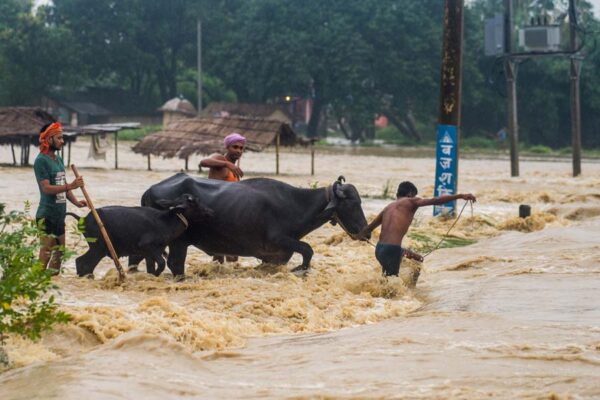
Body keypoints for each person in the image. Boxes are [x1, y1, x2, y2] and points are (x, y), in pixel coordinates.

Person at [358, 181, 476, 285]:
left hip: (379, 250)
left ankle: (410, 289)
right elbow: (435, 201)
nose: (415, 197)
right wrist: (460, 196)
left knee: (417, 259)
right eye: (415, 195)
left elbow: (368, 229)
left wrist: (358, 236)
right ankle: (388, 304)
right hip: (392, 250)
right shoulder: (411, 201)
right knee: (391, 285)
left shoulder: (388, 207)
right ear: (410, 194)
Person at [34, 122, 87, 274]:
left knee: (59, 253)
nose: (62, 142)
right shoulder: (41, 161)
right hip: (47, 215)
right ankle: (36, 286)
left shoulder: (58, 160)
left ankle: (52, 287)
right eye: (59, 138)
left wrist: (76, 202)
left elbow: (62, 185)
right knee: (45, 254)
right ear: (49, 139)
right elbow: (46, 188)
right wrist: (71, 186)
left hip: (59, 215)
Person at [199, 132, 246, 263]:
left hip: (229, 213)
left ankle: (224, 279)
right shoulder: (220, 159)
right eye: (235, 147)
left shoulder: (236, 171)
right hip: (216, 210)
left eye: (241, 148)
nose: (238, 150)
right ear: (227, 147)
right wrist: (227, 164)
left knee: (232, 254)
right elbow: (203, 162)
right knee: (222, 251)